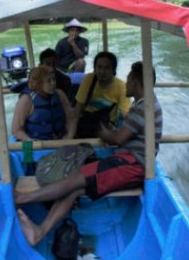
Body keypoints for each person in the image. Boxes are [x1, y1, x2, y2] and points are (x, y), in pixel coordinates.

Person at [15, 61, 163, 246]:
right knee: (74, 190)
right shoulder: (145, 104)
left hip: (132, 164)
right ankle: (39, 232)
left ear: (137, 82)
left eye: (129, 79)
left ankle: (23, 197)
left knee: (76, 177)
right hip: (126, 162)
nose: (126, 83)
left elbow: (118, 139)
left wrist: (104, 133)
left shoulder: (144, 106)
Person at [72, 51, 131, 138]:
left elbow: (125, 114)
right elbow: (77, 111)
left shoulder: (121, 86)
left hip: (107, 126)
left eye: (107, 68)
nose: (102, 72)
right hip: (86, 123)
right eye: (99, 67)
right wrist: (72, 136)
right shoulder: (88, 79)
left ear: (113, 70)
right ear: (95, 69)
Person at [11, 66, 76, 141]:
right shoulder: (26, 100)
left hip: (61, 141)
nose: (53, 83)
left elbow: (71, 117)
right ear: (38, 83)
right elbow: (16, 130)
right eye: (49, 81)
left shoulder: (60, 94)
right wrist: (29, 140)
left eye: (54, 79)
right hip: (37, 145)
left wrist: (69, 135)